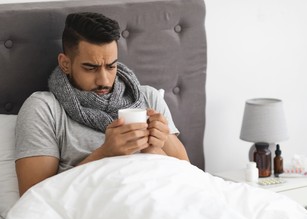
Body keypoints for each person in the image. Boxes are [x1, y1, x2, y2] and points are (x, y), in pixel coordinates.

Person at [15, 12, 189, 196]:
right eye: (91, 68)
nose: (104, 80)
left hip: (164, 197)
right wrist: (105, 153)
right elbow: (33, 196)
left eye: (111, 66)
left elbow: (189, 174)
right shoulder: (44, 109)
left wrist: (162, 139)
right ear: (65, 64)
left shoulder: (148, 97)